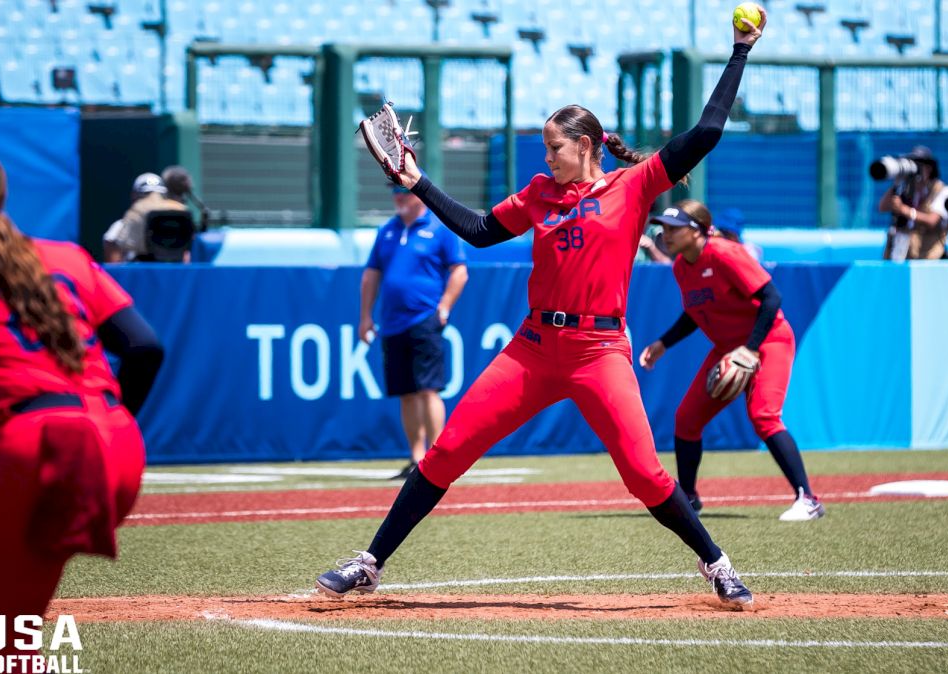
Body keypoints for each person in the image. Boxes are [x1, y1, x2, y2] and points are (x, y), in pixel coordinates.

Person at [317, 10, 768, 609]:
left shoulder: (634, 186)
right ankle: (371, 563)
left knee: (643, 473)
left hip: (599, 352)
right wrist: (419, 181)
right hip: (533, 349)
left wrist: (739, 51)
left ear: (585, 146)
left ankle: (716, 563)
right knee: (448, 450)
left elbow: (706, 133)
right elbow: (478, 230)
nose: (547, 156)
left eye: (554, 147)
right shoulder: (539, 192)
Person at [0, 142, 164, 665]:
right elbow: (144, 346)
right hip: (113, 440)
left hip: (40, 446)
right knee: (7, 636)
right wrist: (107, 427)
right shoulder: (64, 255)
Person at [638, 200, 824, 522]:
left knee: (764, 416)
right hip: (728, 348)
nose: (665, 235)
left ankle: (808, 499)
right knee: (686, 419)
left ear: (697, 230)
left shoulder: (725, 253)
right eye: (663, 228)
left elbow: (771, 298)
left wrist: (750, 349)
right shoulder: (682, 266)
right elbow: (695, 313)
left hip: (768, 341)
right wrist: (663, 343)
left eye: (674, 228)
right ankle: (689, 499)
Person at [362, 182, 468, 479]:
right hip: (392, 323)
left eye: (405, 191)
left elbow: (459, 270)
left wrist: (444, 307)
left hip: (424, 319)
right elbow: (371, 275)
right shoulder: (386, 232)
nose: (399, 196)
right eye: (395, 191)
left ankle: (438, 457)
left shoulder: (439, 228)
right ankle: (415, 458)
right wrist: (365, 316)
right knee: (406, 393)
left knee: (428, 389)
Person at [877, 146, 948, 261]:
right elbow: (882, 207)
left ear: (929, 168)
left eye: (919, 165)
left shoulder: (942, 190)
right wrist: (897, 182)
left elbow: (932, 221)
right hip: (902, 257)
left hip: (928, 259)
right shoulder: (906, 188)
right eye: (914, 163)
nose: (916, 169)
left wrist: (904, 210)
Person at [101, 172, 188, 263]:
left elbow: (184, 264)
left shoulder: (175, 226)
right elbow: (113, 269)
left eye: (159, 195)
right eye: (146, 195)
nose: (153, 200)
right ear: (134, 196)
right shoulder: (118, 228)